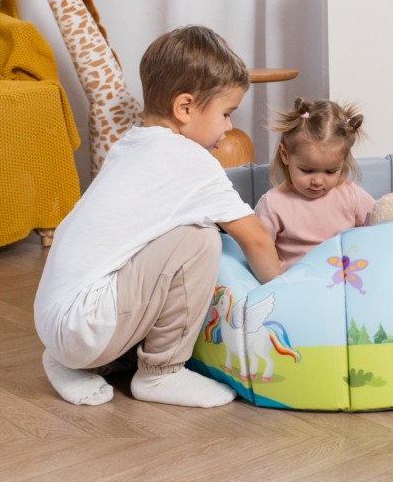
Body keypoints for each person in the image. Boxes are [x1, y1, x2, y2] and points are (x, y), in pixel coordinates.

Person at [34, 25, 281, 409]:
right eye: (226, 113)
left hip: (57, 320)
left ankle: (72, 362)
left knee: (162, 241)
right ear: (185, 108)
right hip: (86, 326)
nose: (229, 127)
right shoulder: (192, 161)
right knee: (199, 239)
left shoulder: (128, 146)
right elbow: (257, 238)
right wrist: (283, 293)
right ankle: (161, 372)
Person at [254, 98, 375, 271]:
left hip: (345, 279)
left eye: (330, 172)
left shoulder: (351, 195)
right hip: (297, 281)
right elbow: (258, 250)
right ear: (285, 155)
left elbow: (379, 227)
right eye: (307, 170)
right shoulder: (273, 204)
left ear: (343, 161)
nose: (318, 181)